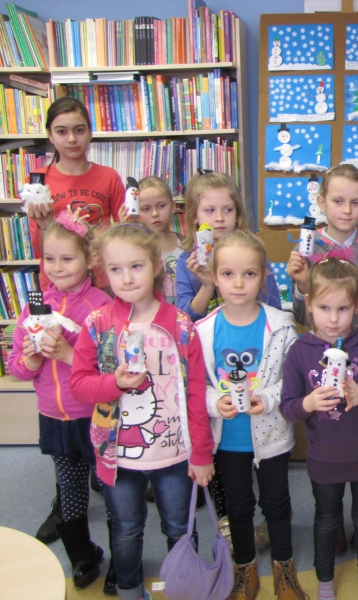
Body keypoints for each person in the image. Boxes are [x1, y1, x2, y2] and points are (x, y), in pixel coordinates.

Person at [70, 223, 214, 600]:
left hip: (174, 454)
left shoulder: (181, 326)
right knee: (126, 530)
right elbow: (79, 384)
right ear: (103, 271)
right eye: (115, 269)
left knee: (180, 529)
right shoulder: (98, 324)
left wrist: (201, 453)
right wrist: (113, 383)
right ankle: (130, 590)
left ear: (155, 265)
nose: (127, 277)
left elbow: (196, 395)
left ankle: (184, 588)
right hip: (118, 456)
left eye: (136, 266)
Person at [196, 230, 307, 600]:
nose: (239, 283)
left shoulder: (281, 325)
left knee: (276, 504)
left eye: (249, 274)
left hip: (271, 436)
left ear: (263, 277)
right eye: (228, 274)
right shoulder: (203, 330)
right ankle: (245, 570)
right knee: (238, 506)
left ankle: (284, 570)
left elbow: (292, 380)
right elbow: (196, 386)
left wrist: (269, 398)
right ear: (215, 277)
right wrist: (215, 402)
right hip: (229, 439)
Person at [280, 252, 358, 600]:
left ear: (357, 306)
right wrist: (307, 404)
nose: (333, 319)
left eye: (343, 308)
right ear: (308, 304)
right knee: (326, 520)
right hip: (325, 457)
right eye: (324, 308)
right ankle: (325, 586)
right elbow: (287, 407)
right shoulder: (300, 351)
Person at [8, 213, 112, 588]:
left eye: (67, 258)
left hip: (95, 416)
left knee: (113, 489)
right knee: (69, 492)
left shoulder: (101, 305)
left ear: (90, 259)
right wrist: (31, 361)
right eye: (49, 259)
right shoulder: (34, 306)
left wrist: (69, 354)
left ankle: (122, 560)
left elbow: (111, 366)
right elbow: (16, 365)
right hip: (54, 418)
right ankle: (82, 556)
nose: (57, 267)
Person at [27, 96, 125, 288]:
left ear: (90, 132)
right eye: (61, 131)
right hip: (57, 284)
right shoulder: (39, 182)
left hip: (101, 283)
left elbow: (126, 236)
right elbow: (39, 250)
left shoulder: (109, 176)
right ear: (50, 135)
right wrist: (43, 224)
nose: (72, 139)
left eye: (79, 130)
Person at [288, 164, 358, 334]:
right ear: (322, 203)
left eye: (355, 203)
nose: (347, 210)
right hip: (324, 348)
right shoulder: (306, 250)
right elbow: (301, 318)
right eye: (338, 201)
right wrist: (302, 285)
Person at [176, 169, 281, 321]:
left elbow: (273, 306)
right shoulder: (187, 261)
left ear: (237, 214)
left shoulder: (253, 252)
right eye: (210, 210)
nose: (220, 218)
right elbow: (183, 319)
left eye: (228, 210)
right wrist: (208, 285)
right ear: (194, 216)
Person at [132, 176, 184, 305]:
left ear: (173, 207)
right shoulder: (136, 250)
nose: (155, 213)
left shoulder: (186, 244)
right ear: (136, 213)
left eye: (161, 206)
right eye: (146, 209)